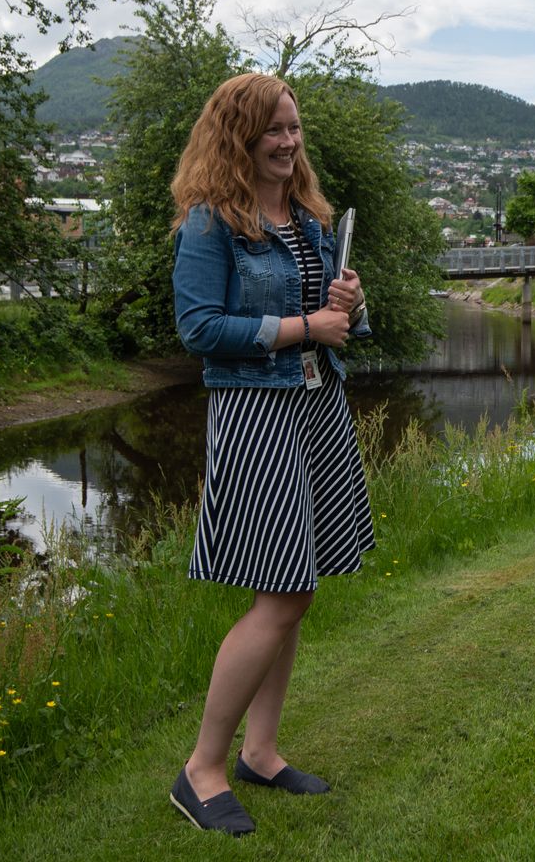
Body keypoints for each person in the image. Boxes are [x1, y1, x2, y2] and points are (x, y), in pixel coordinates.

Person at [168, 72, 374, 836]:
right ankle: (202, 769)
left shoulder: (311, 220)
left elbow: (335, 320)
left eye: (293, 128)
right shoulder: (210, 224)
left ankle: (259, 751)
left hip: (317, 406)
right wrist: (303, 329)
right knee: (281, 591)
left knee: (299, 585)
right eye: (271, 131)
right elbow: (199, 330)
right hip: (256, 413)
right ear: (237, 138)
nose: (287, 143)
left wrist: (348, 307)